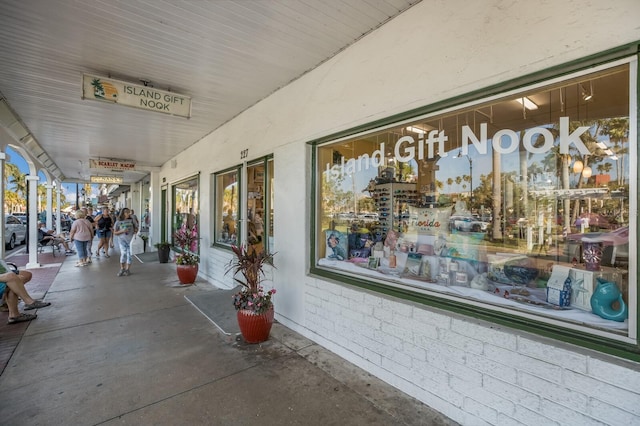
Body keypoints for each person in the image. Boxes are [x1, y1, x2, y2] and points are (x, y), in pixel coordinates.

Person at [113, 208, 137, 276]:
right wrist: (122, 231)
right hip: (122, 240)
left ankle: (127, 269)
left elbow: (136, 227)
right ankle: (122, 268)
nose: (129, 214)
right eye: (127, 213)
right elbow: (115, 232)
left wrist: (135, 231)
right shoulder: (118, 221)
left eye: (129, 213)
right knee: (123, 254)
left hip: (131, 240)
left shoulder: (132, 219)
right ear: (123, 214)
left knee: (129, 255)